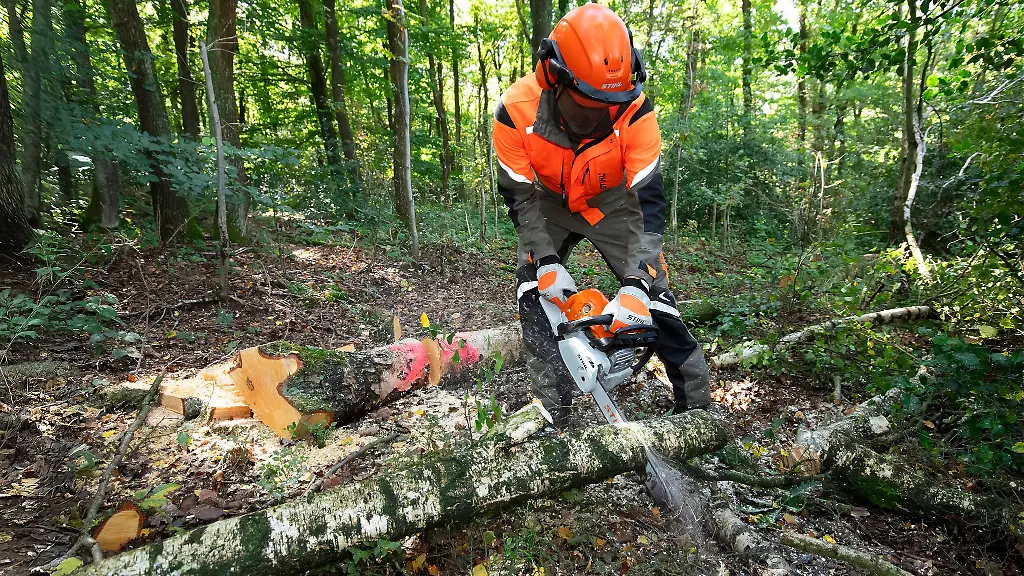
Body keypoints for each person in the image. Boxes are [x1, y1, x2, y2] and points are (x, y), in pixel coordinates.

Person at [493, 3, 711, 426]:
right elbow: (520, 198)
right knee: (534, 294)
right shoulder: (515, 111)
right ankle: (552, 411)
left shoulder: (637, 112)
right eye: (591, 102)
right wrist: (546, 260)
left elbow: (647, 204)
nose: (603, 112)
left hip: (613, 204)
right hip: (549, 203)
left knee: (659, 302)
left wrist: (637, 284)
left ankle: (697, 417)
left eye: (611, 101)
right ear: (555, 76)